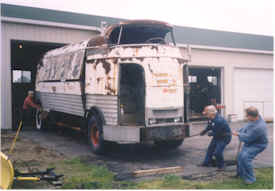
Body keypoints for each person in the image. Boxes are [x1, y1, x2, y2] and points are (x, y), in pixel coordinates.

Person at [232, 106, 268, 184]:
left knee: (245, 158)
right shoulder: (254, 119)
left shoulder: (259, 127)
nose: (246, 117)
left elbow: (248, 138)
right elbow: (246, 127)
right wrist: (239, 131)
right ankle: (241, 174)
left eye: (247, 115)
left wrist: (238, 134)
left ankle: (251, 179)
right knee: (240, 157)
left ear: (252, 116)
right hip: (251, 142)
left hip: (258, 145)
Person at [200, 105, 232, 170]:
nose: (205, 115)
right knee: (210, 149)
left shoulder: (219, 121)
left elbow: (218, 133)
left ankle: (221, 166)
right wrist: (204, 131)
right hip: (217, 136)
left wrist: (210, 134)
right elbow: (209, 126)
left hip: (224, 137)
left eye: (206, 114)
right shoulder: (211, 118)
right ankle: (207, 163)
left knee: (217, 152)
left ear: (211, 113)